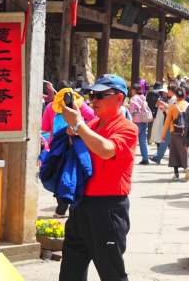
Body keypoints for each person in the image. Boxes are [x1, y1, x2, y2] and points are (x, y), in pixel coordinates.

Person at [60, 74, 138, 281]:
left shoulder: (127, 128)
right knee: (70, 272)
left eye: (101, 95)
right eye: (92, 94)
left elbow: (106, 150)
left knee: (111, 273)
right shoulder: (93, 124)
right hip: (81, 205)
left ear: (119, 99)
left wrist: (79, 126)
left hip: (108, 209)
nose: (94, 100)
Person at [41, 81, 96, 218]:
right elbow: (94, 118)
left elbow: (46, 128)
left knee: (60, 174)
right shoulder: (80, 105)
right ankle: (72, 205)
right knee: (75, 173)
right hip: (77, 146)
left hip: (58, 148)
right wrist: (81, 127)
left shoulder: (50, 107)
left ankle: (62, 207)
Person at [161, 87, 189, 179]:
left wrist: (163, 135)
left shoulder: (173, 106)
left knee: (174, 152)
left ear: (176, 95)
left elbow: (167, 121)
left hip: (175, 132)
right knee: (185, 151)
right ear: (185, 95)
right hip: (186, 132)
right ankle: (187, 168)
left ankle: (176, 174)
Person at [129, 83, 152, 165]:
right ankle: (145, 158)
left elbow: (131, 111)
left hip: (136, 122)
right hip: (144, 121)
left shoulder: (134, 98)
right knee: (143, 141)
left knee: (132, 140)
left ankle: (129, 158)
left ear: (134, 90)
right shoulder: (143, 97)